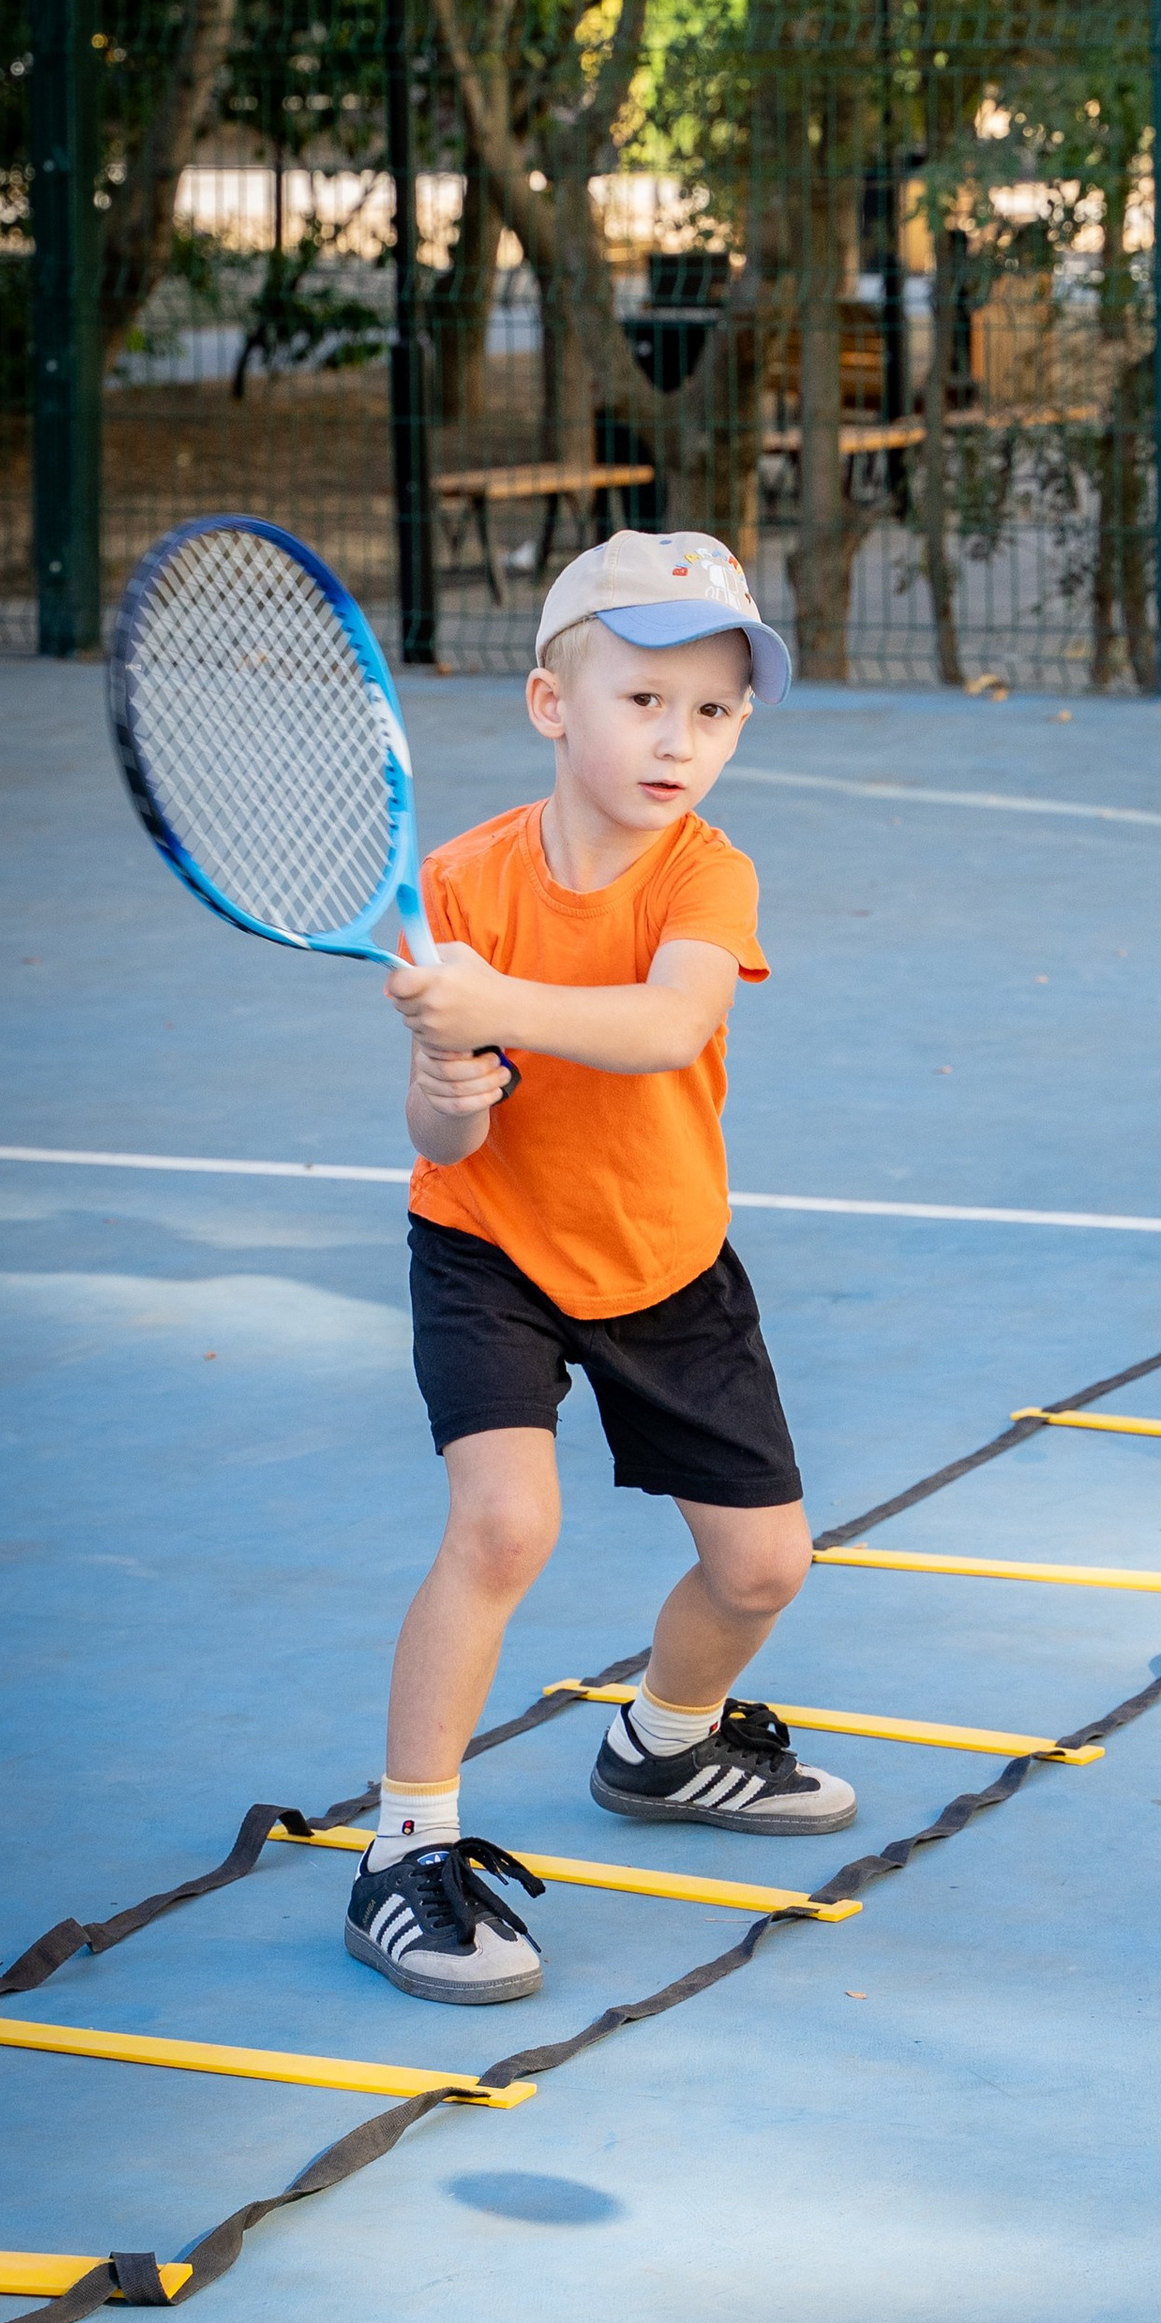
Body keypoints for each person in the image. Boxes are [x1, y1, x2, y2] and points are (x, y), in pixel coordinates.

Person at [348, 531, 853, 2005]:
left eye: (714, 710)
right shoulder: (462, 880)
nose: (678, 739)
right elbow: (438, 1110)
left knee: (762, 1568)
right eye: (643, 699)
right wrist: (453, 1084)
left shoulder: (708, 877)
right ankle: (405, 1851)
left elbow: (664, 1028)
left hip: (663, 1257)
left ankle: (665, 1743)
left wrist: (489, 998)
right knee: (504, 1527)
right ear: (553, 705)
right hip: (488, 1245)